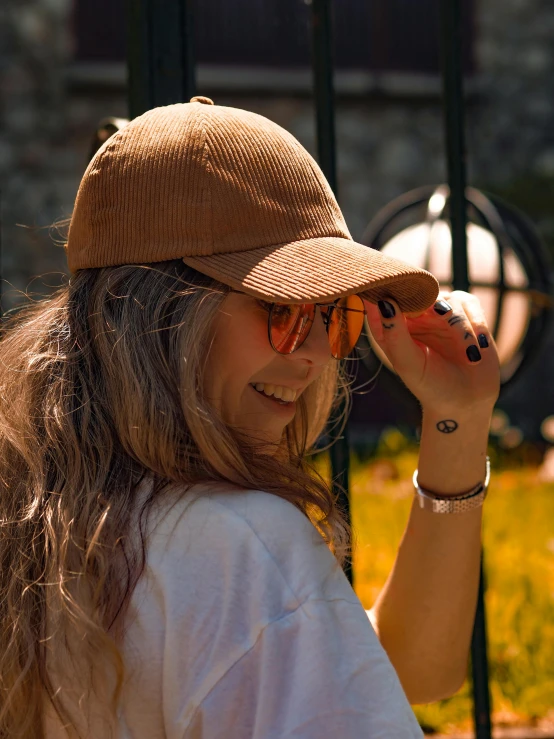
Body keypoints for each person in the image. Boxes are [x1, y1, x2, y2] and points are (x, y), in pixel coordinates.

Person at [0, 97, 500, 739]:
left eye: (335, 316)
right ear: (159, 315)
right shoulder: (241, 542)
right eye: (285, 310)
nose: (320, 355)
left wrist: (456, 422)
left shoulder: (46, 521)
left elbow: (397, 669)